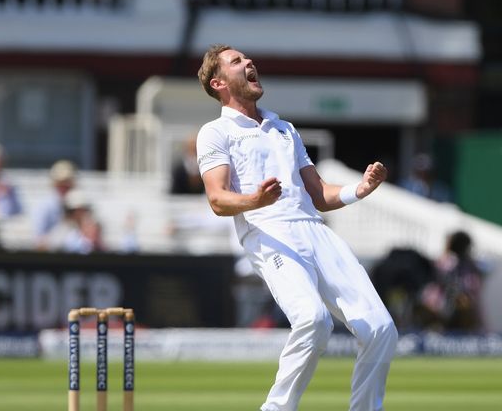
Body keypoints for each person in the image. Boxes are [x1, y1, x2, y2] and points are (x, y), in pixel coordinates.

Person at [196, 44, 397, 411]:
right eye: (237, 61)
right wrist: (255, 201)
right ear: (218, 82)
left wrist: (360, 189)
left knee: (381, 329)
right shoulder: (215, 132)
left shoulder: (284, 127)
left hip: (315, 229)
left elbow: (318, 194)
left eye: (247, 58)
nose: (249, 62)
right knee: (313, 320)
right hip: (269, 232)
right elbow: (217, 199)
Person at [419, 230, 485, 332]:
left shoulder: (470, 267)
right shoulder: (443, 263)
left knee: (465, 307)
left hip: (459, 311)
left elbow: (471, 294)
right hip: (439, 308)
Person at [33, 159, 77, 250]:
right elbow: (39, 242)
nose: (65, 186)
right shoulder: (44, 206)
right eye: (62, 183)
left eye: (67, 182)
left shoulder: (77, 204)